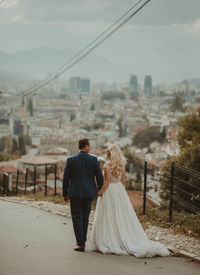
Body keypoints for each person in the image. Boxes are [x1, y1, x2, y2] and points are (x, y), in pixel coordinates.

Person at [89, 144, 170, 257]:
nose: (106, 154)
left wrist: (99, 192)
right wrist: (120, 193)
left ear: (110, 153)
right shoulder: (121, 165)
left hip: (110, 191)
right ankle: (122, 237)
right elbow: (123, 183)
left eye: (107, 152)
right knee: (120, 215)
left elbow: (106, 183)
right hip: (119, 190)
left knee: (109, 215)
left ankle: (111, 240)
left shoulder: (107, 165)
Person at [63, 138, 103, 252]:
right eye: (89, 146)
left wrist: (65, 194)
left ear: (79, 147)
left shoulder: (71, 160)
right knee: (85, 217)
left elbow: (66, 179)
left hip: (75, 193)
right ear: (86, 146)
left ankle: (80, 243)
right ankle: (82, 241)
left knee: (76, 217)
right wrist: (100, 189)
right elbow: (99, 177)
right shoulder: (94, 159)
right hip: (89, 192)